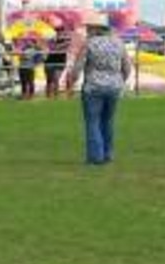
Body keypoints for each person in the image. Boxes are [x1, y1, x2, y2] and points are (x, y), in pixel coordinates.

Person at [66, 13, 132, 165]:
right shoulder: (118, 43)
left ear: (94, 29)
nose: (87, 30)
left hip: (93, 87)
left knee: (93, 122)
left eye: (89, 27)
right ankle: (108, 154)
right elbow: (127, 67)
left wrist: (72, 81)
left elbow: (78, 66)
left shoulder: (90, 44)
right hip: (114, 87)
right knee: (108, 122)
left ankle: (95, 157)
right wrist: (120, 80)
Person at [17, 36, 43, 100]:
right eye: (27, 41)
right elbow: (20, 56)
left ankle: (31, 95)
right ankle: (24, 95)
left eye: (30, 41)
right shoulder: (23, 48)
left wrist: (35, 63)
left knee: (30, 82)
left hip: (30, 68)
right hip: (22, 67)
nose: (28, 42)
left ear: (33, 42)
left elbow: (39, 59)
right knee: (23, 82)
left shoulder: (36, 50)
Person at [44, 32, 69, 98]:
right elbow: (53, 48)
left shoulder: (66, 39)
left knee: (56, 79)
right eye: (58, 30)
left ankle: (55, 96)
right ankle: (48, 96)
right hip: (50, 61)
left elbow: (58, 47)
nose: (59, 33)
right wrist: (61, 45)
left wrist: (61, 45)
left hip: (60, 61)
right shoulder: (52, 39)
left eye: (61, 30)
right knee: (49, 80)